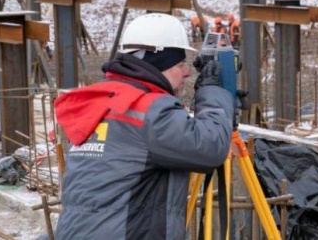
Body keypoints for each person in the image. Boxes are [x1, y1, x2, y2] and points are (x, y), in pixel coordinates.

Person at [54, 13, 234, 239]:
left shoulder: (101, 101)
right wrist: (214, 93)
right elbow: (211, 147)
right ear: (160, 66)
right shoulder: (149, 111)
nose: (187, 71)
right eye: (180, 64)